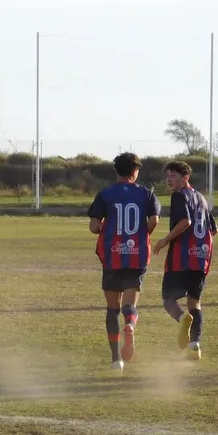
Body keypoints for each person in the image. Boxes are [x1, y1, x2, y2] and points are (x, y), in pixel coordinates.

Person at [87, 152, 161, 370]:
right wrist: (141, 234)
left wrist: (102, 228)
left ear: (116, 170)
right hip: (136, 255)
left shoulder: (105, 194)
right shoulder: (146, 194)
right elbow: (154, 219)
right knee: (130, 304)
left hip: (112, 255)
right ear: (135, 172)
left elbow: (93, 226)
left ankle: (115, 359)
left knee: (112, 308)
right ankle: (130, 324)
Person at [153, 161, 217, 361]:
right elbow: (213, 229)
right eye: (167, 176)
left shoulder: (180, 196)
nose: (169, 179)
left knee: (168, 300)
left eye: (173, 175)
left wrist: (165, 240)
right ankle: (194, 346)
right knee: (195, 303)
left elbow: (185, 221)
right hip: (201, 258)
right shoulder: (202, 198)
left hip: (181, 258)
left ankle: (182, 320)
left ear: (185, 177)